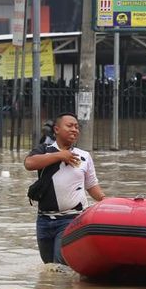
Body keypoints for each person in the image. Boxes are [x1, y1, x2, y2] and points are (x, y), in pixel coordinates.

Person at [24, 112, 105, 264]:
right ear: (56, 129)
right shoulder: (44, 150)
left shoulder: (84, 156)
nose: (75, 129)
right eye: (69, 126)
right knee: (49, 266)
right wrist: (61, 156)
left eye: (76, 127)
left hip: (72, 219)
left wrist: (104, 200)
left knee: (60, 264)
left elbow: (91, 185)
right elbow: (29, 163)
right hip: (44, 219)